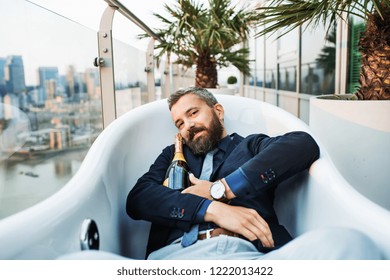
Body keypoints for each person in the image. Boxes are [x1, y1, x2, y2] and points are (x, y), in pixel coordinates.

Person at [126, 87, 382, 260]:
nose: (188, 125)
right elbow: (139, 198)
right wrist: (211, 208)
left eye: (193, 113)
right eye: (180, 123)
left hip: (254, 256)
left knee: (353, 245)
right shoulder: (172, 156)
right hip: (179, 259)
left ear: (218, 111)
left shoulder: (250, 146)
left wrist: (222, 189)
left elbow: (303, 145)